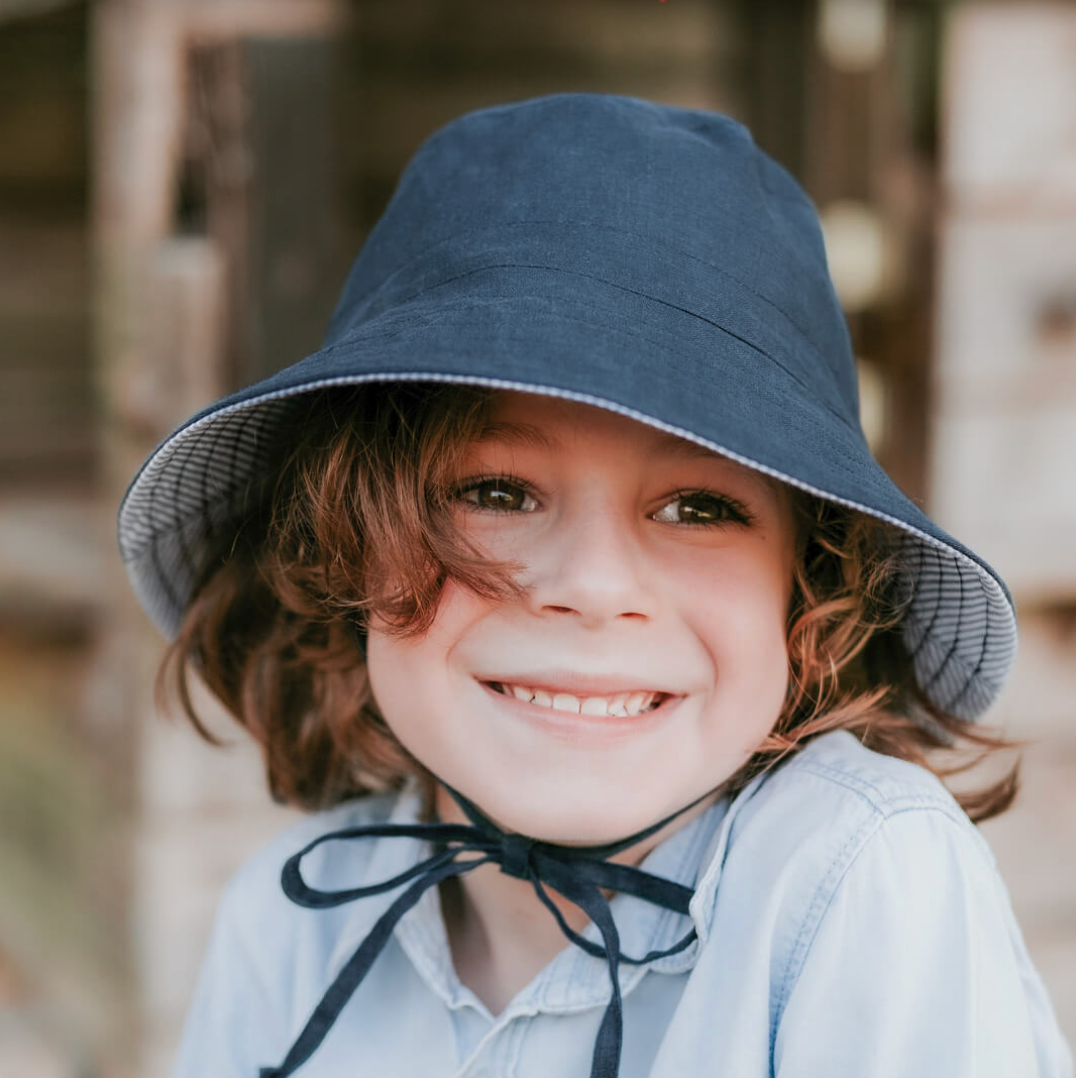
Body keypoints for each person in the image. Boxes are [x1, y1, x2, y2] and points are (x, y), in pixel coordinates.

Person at [118, 94, 1074, 1078]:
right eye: (493, 491)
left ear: (810, 591)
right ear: (341, 550)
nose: (590, 583)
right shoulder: (288, 926)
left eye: (697, 507)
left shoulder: (854, 877)